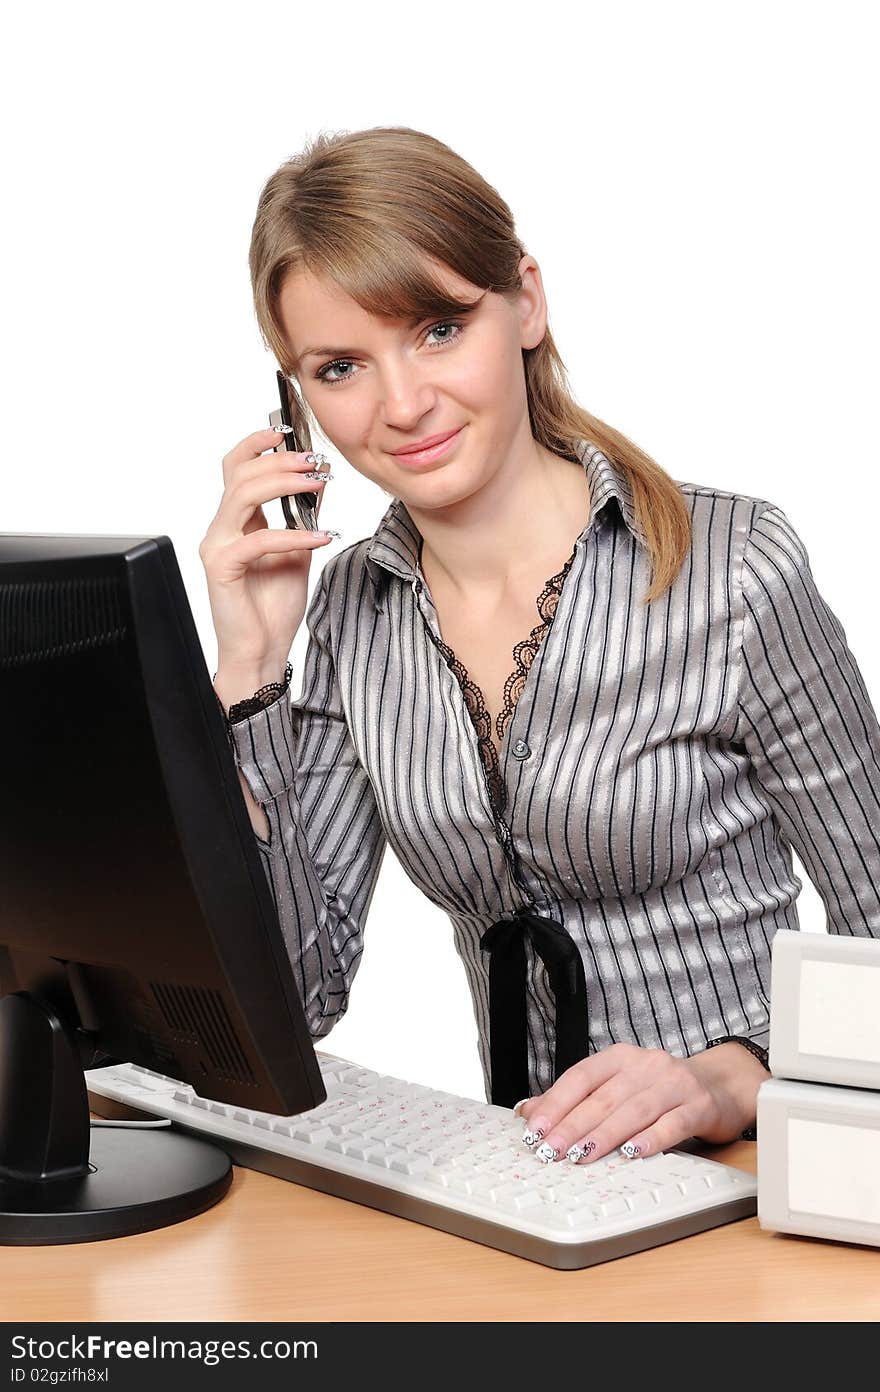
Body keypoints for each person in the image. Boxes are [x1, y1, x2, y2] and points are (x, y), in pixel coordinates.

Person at [200, 125, 880, 1168]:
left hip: (757, 1174)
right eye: (340, 366)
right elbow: (291, 999)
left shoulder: (732, 567)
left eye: (436, 328)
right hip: (534, 1194)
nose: (402, 405)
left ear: (524, 300)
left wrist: (729, 1076)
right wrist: (248, 677)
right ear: (294, 403)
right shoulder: (349, 613)